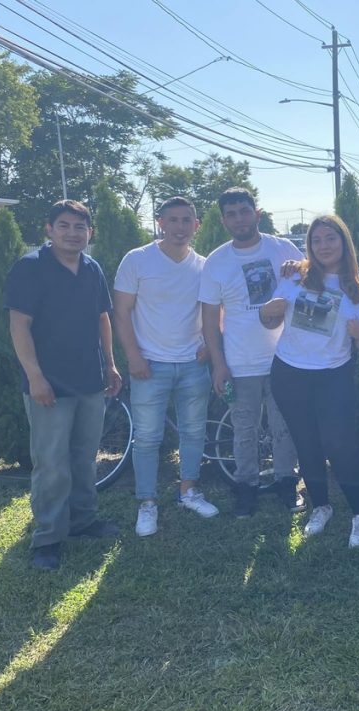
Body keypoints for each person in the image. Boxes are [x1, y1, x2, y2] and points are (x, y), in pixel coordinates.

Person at [5, 200, 122, 571]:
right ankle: (48, 538)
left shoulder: (92, 268)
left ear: (90, 233)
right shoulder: (30, 268)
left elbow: (103, 318)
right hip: (49, 385)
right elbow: (19, 325)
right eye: (64, 225)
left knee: (84, 459)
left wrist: (111, 364)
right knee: (51, 463)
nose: (72, 233)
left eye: (80, 227)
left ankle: (83, 521)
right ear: (49, 229)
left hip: (90, 381)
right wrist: (35, 377)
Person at [259, 215, 359, 547]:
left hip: (333, 375)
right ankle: (321, 506)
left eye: (331, 239)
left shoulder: (358, 288)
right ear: (309, 245)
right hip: (289, 372)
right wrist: (267, 311)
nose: (324, 246)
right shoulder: (295, 276)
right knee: (306, 442)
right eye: (317, 240)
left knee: (340, 445)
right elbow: (270, 320)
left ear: (344, 243)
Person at [114, 197, 217, 537]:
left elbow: (218, 309)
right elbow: (122, 312)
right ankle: (147, 503)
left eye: (186, 220)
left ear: (196, 224)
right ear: (160, 223)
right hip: (150, 365)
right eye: (172, 220)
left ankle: (188, 491)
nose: (179, 226)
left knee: (193, 431)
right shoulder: (138, 260)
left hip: (192, 364)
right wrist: (133, 356)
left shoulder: (204, 266)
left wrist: (207, 345)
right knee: (146, 438)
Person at [200, 187, 304, 518]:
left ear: (257, 213)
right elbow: (210, 321)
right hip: (240, 363)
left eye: (244, 211)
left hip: (285, 359)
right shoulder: (216, 262)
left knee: (284, 426)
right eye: (231, 213)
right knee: (244, 431)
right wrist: (219, 365)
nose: (239, 218)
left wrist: (301, 268)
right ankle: (246, 488)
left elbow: (310, 282)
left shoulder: (283, 248)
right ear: (223, 220)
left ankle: (287, 483)